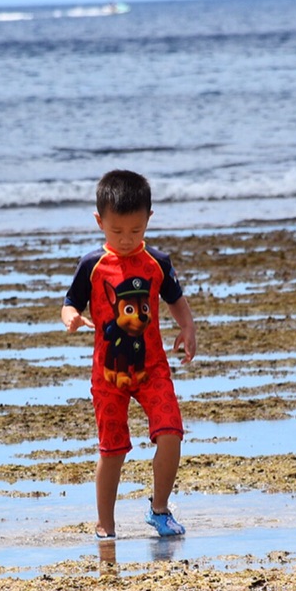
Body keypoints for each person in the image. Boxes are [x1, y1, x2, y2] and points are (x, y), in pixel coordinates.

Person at [59, 169, 197, 539]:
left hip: (153, 369)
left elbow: (176, 301)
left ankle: (160, 509)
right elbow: (70, 302)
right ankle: (105, 523)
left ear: (149, 220)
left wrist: (188, 327)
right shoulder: (91, 265)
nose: (125, 239)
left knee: (171, 433)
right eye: (116, 231)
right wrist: (71, 316)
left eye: (135, 231)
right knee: (113, 449)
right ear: (99, 221)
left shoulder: (157, 262)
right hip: (108, 376)